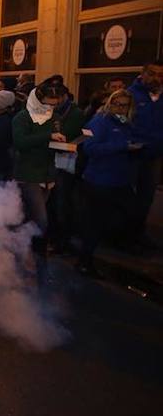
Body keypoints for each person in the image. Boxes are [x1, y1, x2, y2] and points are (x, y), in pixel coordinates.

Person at [78, 90, 144, 276]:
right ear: (110, 103)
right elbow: (90, 148)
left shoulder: (127, 124)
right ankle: (84, 261)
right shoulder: (99, 122)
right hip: (99, 180)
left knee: (132, 214)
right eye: (118, 104)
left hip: (120, 180)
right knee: (95, 223)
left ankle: (110, 246)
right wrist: (123, 147)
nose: (121, 109)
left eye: (125, 105)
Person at [13, 82, 67, 261]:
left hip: (48, 172)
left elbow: (57, 137)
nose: (50, 107)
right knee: (41, 218)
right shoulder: (22, 117)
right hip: (28, 173)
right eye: (46, 103)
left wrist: (64, 145)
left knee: (31, 214)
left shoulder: (56, 117)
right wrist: (47, 136)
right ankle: (37, 252)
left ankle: (20, 244)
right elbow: (20, 142)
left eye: (54, 104)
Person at [46, 84, 86, 254]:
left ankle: (63, 240)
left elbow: (70, 135)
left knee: (62, 202)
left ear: (63, 97)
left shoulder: (75, 113)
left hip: (66, 162)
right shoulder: (50, 112)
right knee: (52, 202)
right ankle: (54, 236)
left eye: (55, 100)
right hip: (51, 160)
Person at [128, 59, 163, 251]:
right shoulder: (131, 95)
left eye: (160, 75)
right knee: (130, 197)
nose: (157, 79)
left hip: (155, 155)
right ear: (144, 74)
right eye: (153, 74)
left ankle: (139, 233)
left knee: (147, 197)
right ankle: (125, 236)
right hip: (134, 155)